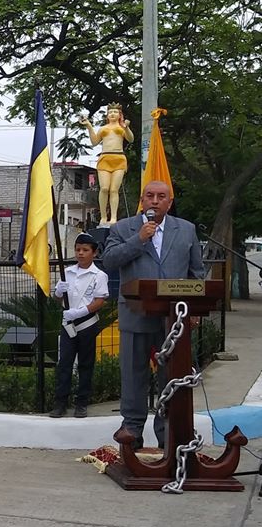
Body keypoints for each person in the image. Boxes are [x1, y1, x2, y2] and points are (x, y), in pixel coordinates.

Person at [102, 181, 205, 450]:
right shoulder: (123, 228)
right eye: (150, 196)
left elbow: (196, 272)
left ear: (169, 203)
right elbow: (109, 260)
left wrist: (194, 310)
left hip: (173, 319)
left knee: (170, 377)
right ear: (142, 200)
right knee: (133, 375)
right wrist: (139, 239)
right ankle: (132, 432)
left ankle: (168, 434)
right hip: (135, 314)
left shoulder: (186, 229)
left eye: (161, 197)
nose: (155, 201)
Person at [50, 233, 109, 418]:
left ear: (94, 253)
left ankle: (81, 403)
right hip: (68, 323)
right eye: (78, 250)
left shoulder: (99, 275)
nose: (80, 253)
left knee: (85, 364)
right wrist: (58, 292)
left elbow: (99, 301)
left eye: (85, 250)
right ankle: (60, 403)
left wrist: (80, 312)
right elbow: (57, 298)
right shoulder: (67, 272)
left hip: (87, 323)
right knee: (64, 364)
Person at [80, 103, 134, 226]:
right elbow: (94, 142)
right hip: (105, 158)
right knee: (104, 188)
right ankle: (103, 216)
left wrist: (126, 128)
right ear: (107, 115)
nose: (112, 114)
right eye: (110, 112)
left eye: (115, 112)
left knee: (114, 189)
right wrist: (89, 126)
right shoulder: (103, 128)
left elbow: (130, 139)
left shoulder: (122, 127)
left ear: (120, 114)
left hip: (119, 158)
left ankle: (114, 217)